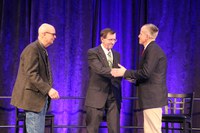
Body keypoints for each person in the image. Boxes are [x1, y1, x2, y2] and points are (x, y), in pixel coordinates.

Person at [111, 23, 168, 133]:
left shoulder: (153, 50)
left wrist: (125, 72)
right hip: (150, 98)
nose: (138, 35)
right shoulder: (150, 49)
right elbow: (147, 75)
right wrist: (126, 74)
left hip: (152, 98)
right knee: (149, 130)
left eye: (141, 33)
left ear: (147, 36)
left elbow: (146, 73)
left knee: (152, 130)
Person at [11, 23, 60, 133]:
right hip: (32, 99)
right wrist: (48, 89)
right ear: (43, 34)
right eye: (53, 34)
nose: (55, 36)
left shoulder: (41, 50)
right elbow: (31, 74)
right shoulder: (32, 50)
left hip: (39, 99)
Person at [85, 28, 122, 133]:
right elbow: (99, 69)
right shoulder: (93, 52)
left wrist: (126, 75)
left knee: (115, 129)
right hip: (97, 95)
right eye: (110, 39)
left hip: (114, 96)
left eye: (114, 40)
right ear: (102, 39)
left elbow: (120, 73)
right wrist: (118, 72)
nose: (113, 42)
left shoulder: (117, 55)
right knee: (92, 129)